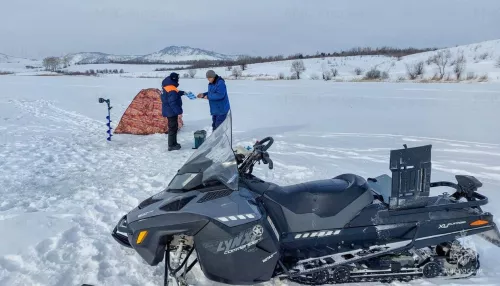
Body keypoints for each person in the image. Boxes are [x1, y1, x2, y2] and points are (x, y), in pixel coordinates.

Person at [161, 72, 185, 151]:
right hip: (171, 111)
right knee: (172, 128)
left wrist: (182, 93)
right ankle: (171, 145)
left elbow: (173, 94)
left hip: (169, 110)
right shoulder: (172, 89)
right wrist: (179, 112)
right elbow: (172, 102)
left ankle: (174, 143)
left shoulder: (167, 86)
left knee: (174, 127)